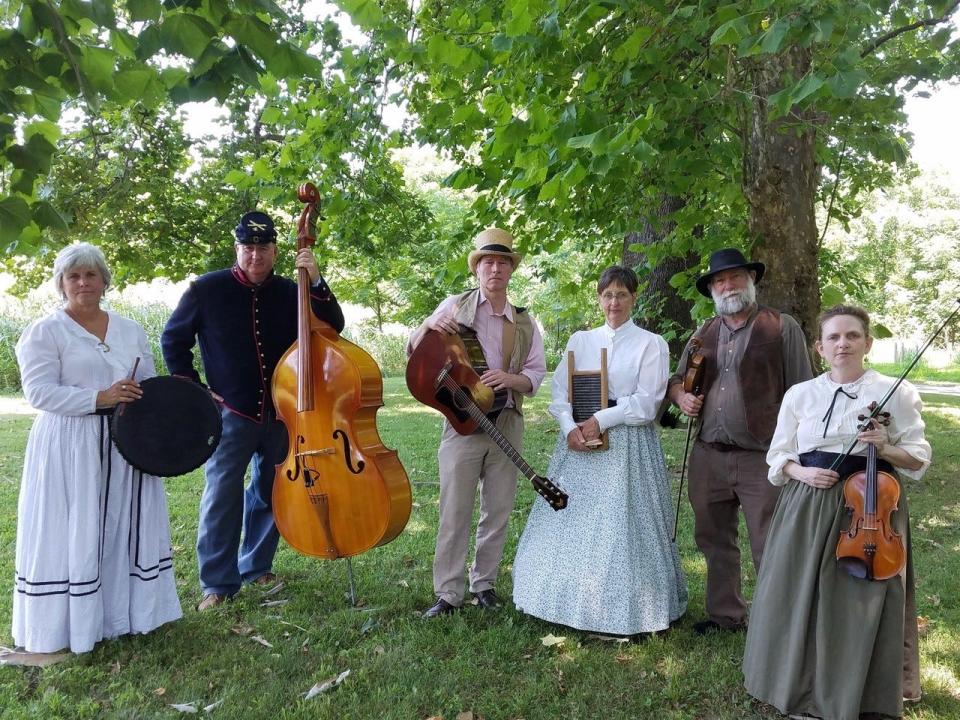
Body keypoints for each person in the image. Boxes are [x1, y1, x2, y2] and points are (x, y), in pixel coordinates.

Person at [743, 305, 930, 720]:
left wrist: (884, 446)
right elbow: (778, 455)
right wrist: (801, 471)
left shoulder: (893, 391)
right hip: (807, 504)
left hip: (868, 509)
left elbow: (917, 459)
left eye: (851, 336)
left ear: (867, 342)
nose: (842, 344)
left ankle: (859, 693)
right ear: (819, 347)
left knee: (856, 600)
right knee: (799, 592)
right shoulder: (801, 394)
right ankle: (795, 685)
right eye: (833, 338)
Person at [5, 243, 181, 664]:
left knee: (122, 523)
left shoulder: (130, 328)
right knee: (76, 527)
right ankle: (72, 625)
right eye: (73, 276)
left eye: (90, 275)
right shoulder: (46, 331)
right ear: (62, 284)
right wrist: (101, 397)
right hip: (71, 444)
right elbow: (39, 393)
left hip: (126, 443)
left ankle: (123, 617)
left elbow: (149, 380)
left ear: (105, 280)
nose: (83, 283)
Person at [161, 211, 344, 611]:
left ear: (276, 251)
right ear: (237, 248)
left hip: (284, 413)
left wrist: (315, 279)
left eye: (263, 249)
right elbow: (173, 339)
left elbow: (334, 325)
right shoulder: (206, 289)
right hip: (233, 412)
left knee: (272, 491)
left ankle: (257, 565)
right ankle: (217, 583)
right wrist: (195, 388)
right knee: (221, 496)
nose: (255, 256)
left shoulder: (292, 288)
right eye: (248, 248)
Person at [512, 266, 687, 636]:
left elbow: (648, 402)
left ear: (634, 298)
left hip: (626, 444)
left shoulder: (650, 343)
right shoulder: (581, 341)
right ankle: (564, 600)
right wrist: (569, 427)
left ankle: (627, 609)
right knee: (572, 517)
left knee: (621, 523)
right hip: (578, 440)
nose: (614, 302)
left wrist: (601, 420)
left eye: (622, 295)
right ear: (599, 298)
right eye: (607, 295)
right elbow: (560, 393)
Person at [667, 248, 813, 634]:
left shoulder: (782, 327)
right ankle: (726, 615)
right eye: (720, 280)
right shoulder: (702, 334)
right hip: (708, 455)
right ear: (713, 289)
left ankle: (777, 624)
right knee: (713, 539)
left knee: (770, 541)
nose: (727, 285)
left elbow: (804, 393)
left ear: (751, 281)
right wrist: (681, 396)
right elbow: (676, 381)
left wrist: (798, 454)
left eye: (735, 277)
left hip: (761, 456)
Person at [408, 228, 547, 619]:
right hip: (462, 425)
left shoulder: (523, 323)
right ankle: (448, 593)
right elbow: (414, 351)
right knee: (454, 510)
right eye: (488, 262)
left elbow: (536, 374)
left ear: (510, 270)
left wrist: (511, 379)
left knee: (498, 508)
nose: (495, 269)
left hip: (507, 422)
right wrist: (427, 327)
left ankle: (483, 584)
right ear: (477, 269)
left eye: (503, 262)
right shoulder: (453, 306)